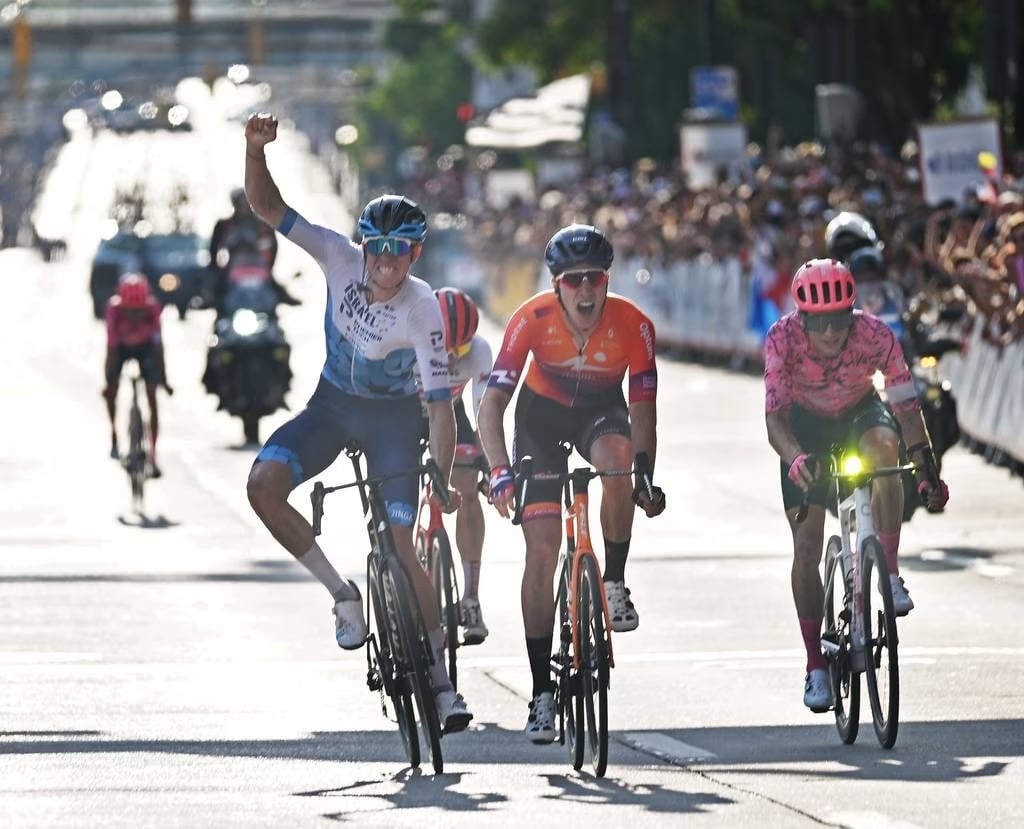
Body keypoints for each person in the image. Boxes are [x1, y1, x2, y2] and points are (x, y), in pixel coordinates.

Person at [240, 112, 472, 733]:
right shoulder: (337, 257)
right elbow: (269, 209)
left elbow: (440, 406)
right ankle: (343, 594)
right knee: (262, 486)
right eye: (380, 249)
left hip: (396, 422)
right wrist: (255, 152)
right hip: (333, 405)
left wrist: (443, 478)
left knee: (403, 545)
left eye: (401, 252)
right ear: (364, 246)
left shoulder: (423, 310)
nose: (388, 262)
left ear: (415, 254)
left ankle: (443, 688)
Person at [477, 223, 666, 744]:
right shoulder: (530, 319)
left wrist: (645, 475)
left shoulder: (635, 324)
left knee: (619, 458)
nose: (586, 290)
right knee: (541, 551)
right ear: (557, 284)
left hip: (600, 414)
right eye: (574, 280)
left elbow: (644, 411)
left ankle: (613, 582)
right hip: (540, 423)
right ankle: (541, 693)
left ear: (608, 280)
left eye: (595, 279)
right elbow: (492, 405)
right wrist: (497, 471)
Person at [763, 259, 949, 714]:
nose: (830, 334)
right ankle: (814, 666)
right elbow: (775, 419)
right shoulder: (781, 339)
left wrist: (925, 467)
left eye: (840, 321)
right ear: (803, 318)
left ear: (853, 312)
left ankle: (888, 571)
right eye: (821, 324)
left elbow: (905, 406)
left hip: (860, 413)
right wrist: (795, 458)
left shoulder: (876, 335)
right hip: (805, 427)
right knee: (805, 549)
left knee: (886, 453)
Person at [434, 287, 493, 644]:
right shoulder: (405, 343)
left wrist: (493, 465)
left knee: (469, 487)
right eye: (445, 348)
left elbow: (484, 412)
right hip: (405, 412)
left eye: (462, 349)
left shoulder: (481, 351)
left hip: (452, 415)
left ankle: (470, 597)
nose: (454, 358)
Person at [103, 273, 173, 477]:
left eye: (138, 312)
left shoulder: (152, 309)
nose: (134, 315)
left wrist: (163, 380)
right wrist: (109, 383)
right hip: (121, 347)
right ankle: (114, 437)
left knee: (152, 394)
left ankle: (153, 453)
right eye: (129, 312)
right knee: (111, 390)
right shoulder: (114, 310)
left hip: (145, 348)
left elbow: (159, 347)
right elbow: (111, 349)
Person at [208, 187, 298, 315]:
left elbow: (273, 246)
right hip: (233, 269)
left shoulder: (264, 224)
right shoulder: (224, 225)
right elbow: (213, 249)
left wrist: (268, 267)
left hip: (258, 268)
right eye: (240, 203)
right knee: (218, 296)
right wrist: (216, 271)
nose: (244, 207)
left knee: (274, 293)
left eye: (247, 203)